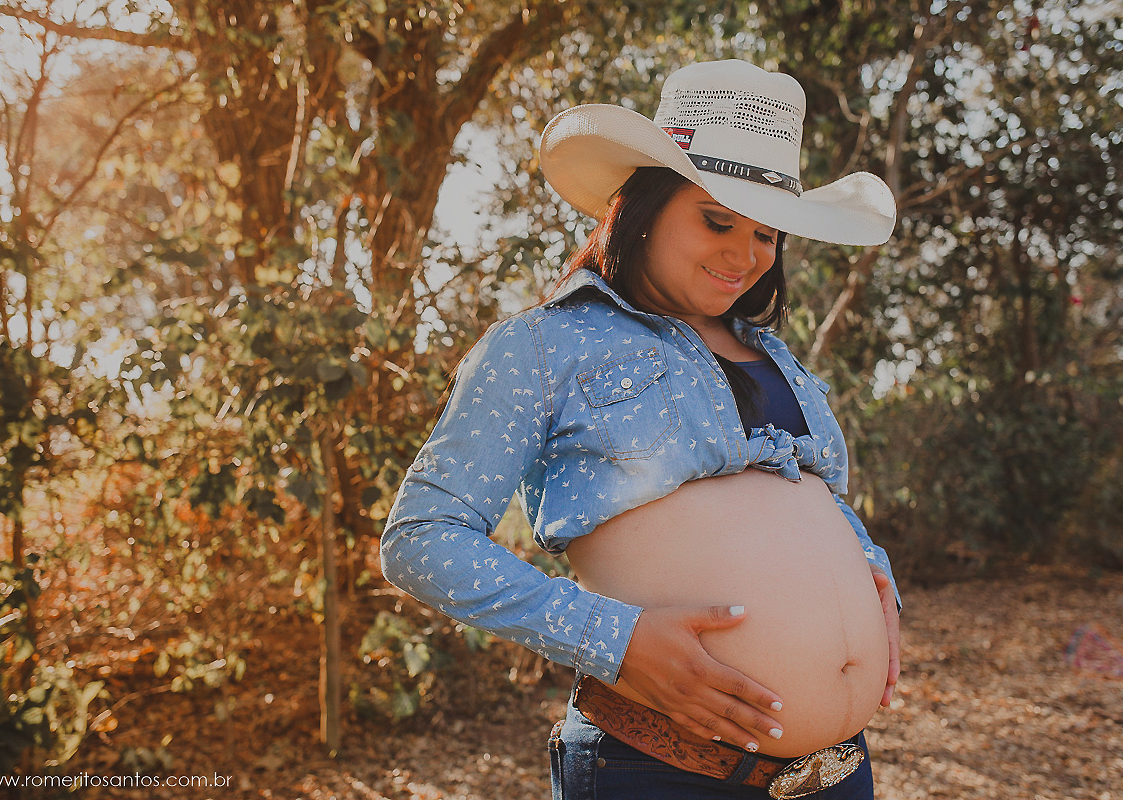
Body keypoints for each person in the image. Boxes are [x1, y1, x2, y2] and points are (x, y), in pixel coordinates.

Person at [381, 59, 901, 800]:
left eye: (765, 234)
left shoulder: (777, 359)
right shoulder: (542, 344)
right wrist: (614, 641)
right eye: (716, 220)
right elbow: (420, 538)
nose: (744, 255)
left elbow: (817, 504)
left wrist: (870, 570)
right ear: (644, 207)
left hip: (838, 775)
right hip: (664, 772)